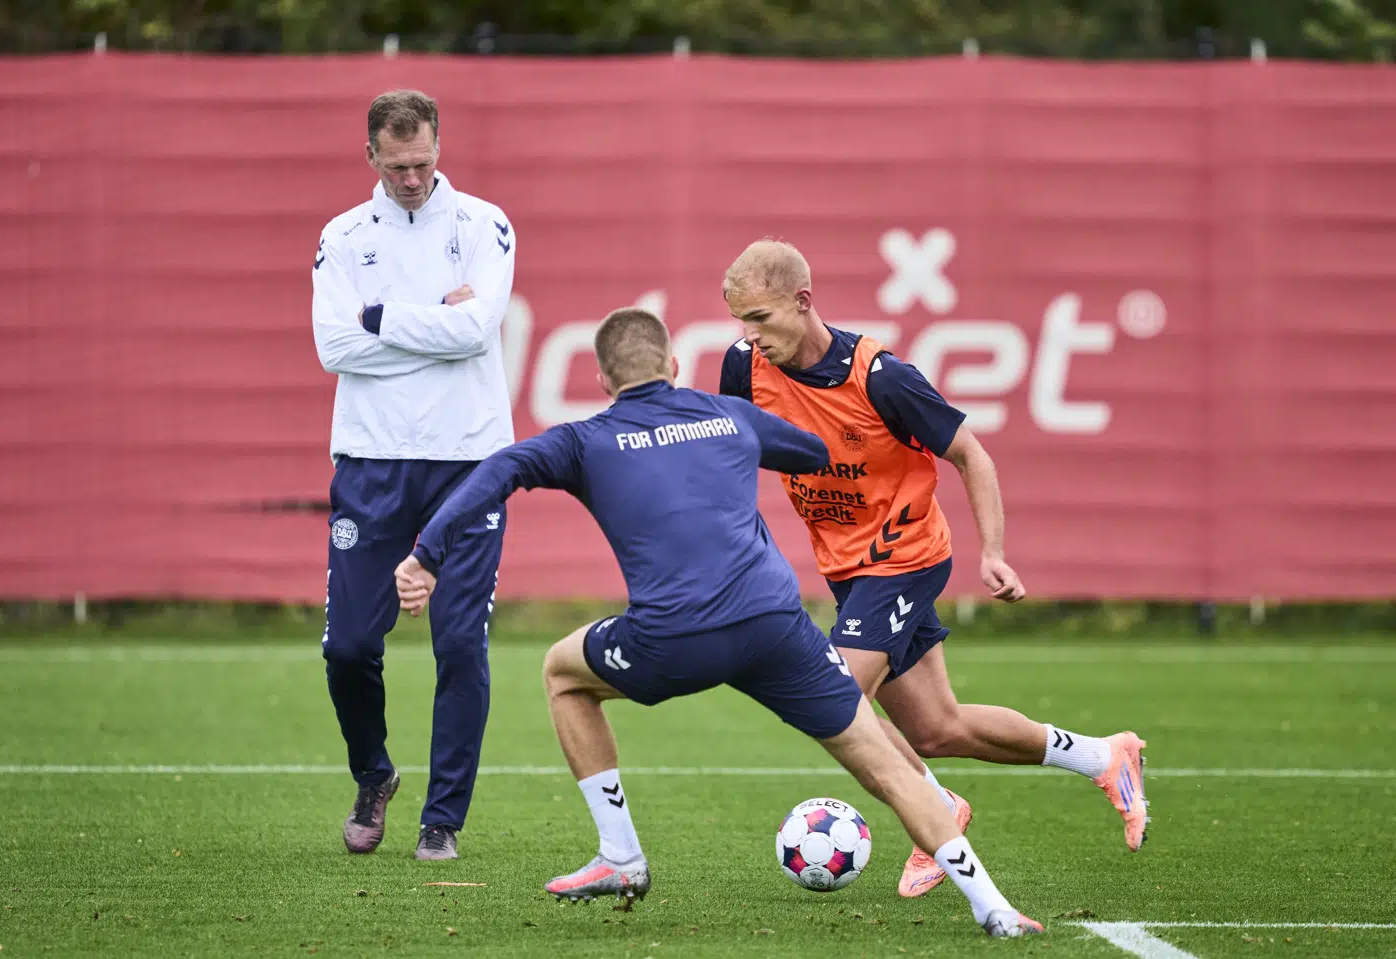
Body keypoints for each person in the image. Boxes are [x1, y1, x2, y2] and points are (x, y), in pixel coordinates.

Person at [393, 308, 1044, 938]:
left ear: (601, 382)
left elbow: (496, 472)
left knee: (563, 672)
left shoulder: (581, 439)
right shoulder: (729, 416)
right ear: (674, 365)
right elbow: (813, 451)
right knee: (893, 767)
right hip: (775, 629)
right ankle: (993, 906)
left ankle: (621, 855)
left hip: (671, 638)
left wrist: (426, 555)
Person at [718, 239, 1149, 898]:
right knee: (936, 726)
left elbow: (973, 455)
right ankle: (1103, 754)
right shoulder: (744, 367)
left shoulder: (881, 377)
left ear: (803, 302)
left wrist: (995, 552)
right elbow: (736, 454)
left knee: (832, 697)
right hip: (847, 566)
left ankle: (933, 811)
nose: (750, 335)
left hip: (906, 556)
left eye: (761, 318)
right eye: (740, 321)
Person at [311, 88, 516, 861]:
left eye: (422, 162)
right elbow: (333, 347)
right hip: (369, 459)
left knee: (460, 642)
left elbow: (475, 331)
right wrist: (434, 318)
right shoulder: (340, 235)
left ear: (439, 147)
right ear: (371, 156)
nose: (410, 178)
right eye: (396, 165)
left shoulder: (484, 224)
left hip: (469, 459)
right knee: (349, 649)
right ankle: (374, 773)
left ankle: (443, 818)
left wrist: (379, 316)